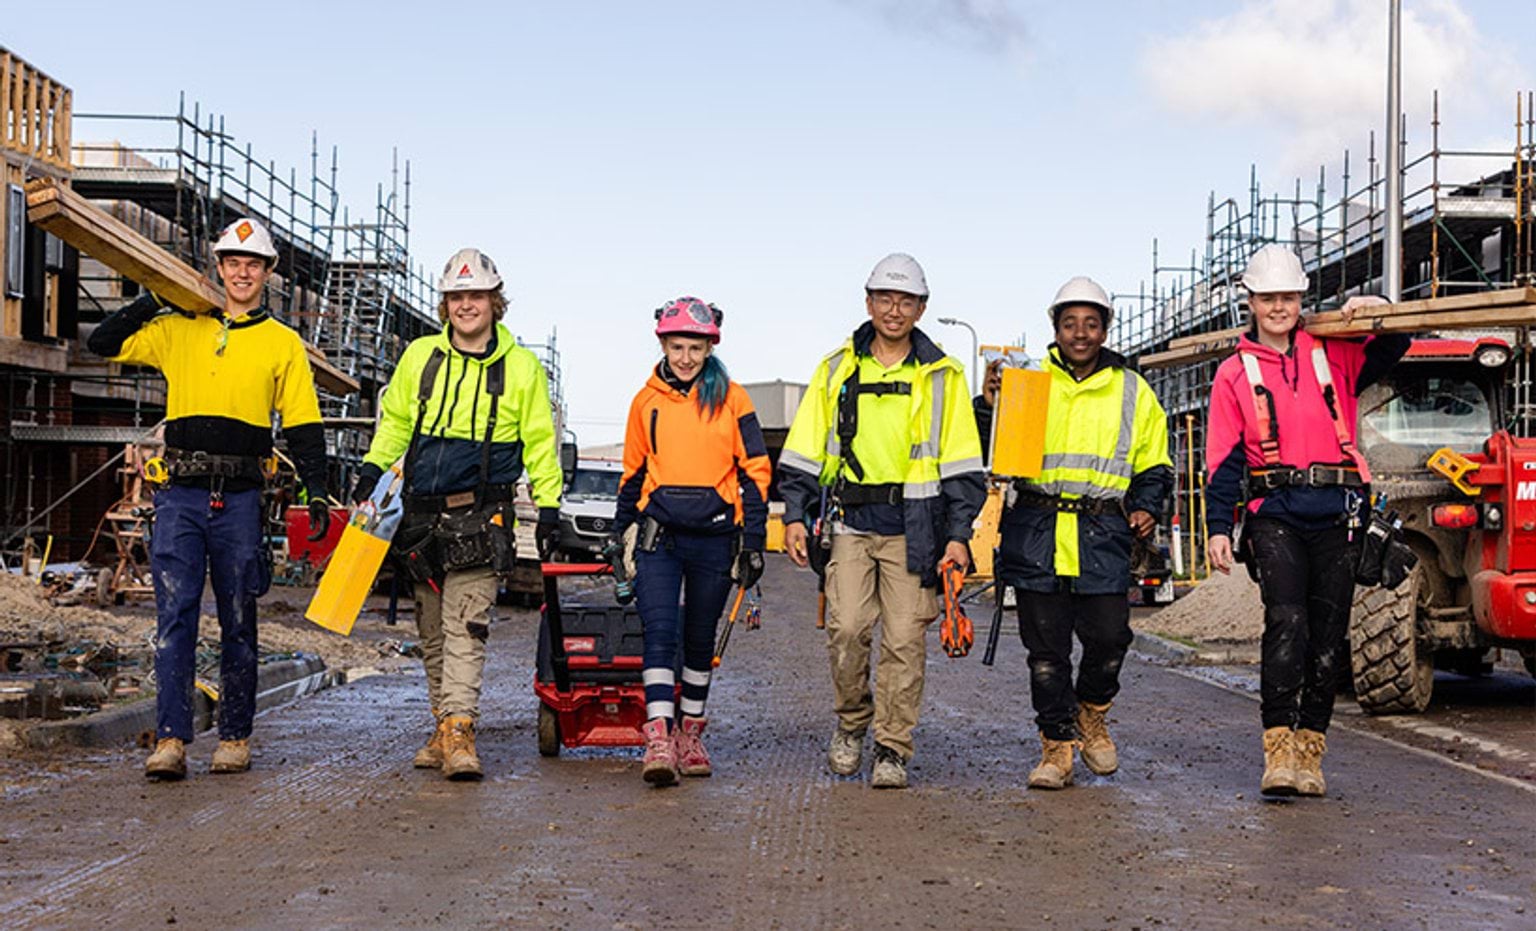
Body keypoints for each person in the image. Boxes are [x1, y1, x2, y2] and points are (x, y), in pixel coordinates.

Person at [87, 217, 331, 780]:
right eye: (232, 262)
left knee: (239, 618)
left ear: (266, 274)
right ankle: (171, 739)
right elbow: (101, 343)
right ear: (218, 268)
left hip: (241, 499)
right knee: (175, 617)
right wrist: (154, 296)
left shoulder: (282, 344)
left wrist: (316, 490)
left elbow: (302, 426)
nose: (242, 272)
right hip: (181, 495)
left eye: (253, 264)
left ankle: (235, 736)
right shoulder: (178, 329)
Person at [352, 247, 562, 781]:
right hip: (421, 517)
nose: (467, 305)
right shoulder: (420, 356)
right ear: (445, 304)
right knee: (431, 631)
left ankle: (462, 731)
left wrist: (550, 502)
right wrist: (371, 470)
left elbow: (541, 441)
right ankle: (444, 726)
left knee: (466, 626)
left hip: (482, 513)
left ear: (495, 302)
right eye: (457, 297)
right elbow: (396, 421)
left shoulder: (521, 368)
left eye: (477, 296)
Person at [1205, 244, 1407, 797]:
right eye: (1268, 297)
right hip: (1274, 513)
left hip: (1337, 511)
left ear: (1301, 298)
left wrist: (1376, 305)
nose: (1278, 307)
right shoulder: (1232, 374)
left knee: (1326, 636)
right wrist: (1219, 528)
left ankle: (1310, 750)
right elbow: (1223, 460)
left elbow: (1396, 343)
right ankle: (1277, 751)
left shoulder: (1334, 353)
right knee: (1286, 623)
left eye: (1288, 297)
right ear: (1250, 301)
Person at [779, 253, 986, 789]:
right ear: (868, 302)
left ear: (921, 308)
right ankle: (852, 724)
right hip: (850, 522)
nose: (895, 310)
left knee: (903, 641)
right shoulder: (835, 369)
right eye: (885, 299)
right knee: (846, 630)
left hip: (915, 530)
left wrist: (958, 537)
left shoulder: (944, 376)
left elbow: (964, 466)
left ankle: (892, 747)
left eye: (906, 301)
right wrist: (796, 518)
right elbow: (802, 453)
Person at [973, 276, 1172, 790]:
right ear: (1055, 329)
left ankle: (1092, 713)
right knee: (1046, 651)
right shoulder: (1030, 383)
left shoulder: (1133, 389)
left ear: (1105, 329)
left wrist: (1147, 505)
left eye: (1090, 323)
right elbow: (989, 454)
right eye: (1069, 324)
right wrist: (989, 405)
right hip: (1037, 528)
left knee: (1110, 637)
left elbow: (1155, 462)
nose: (1080, 333)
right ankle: (1056, 746)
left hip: (1103, 530)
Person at [611, 296, 772, 786]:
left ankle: (690, 734)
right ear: (662, 343)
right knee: (660, 633)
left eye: (695, 347)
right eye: (677, 345)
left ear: (709, 347)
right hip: (660, 537)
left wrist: (755, 539)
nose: (685, 356)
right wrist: (619, 534)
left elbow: (755, 471)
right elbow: (634, 472)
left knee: (699, 640)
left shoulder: (734, 399)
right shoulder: (646, 402)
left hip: (716, 539)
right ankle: (659, 737)